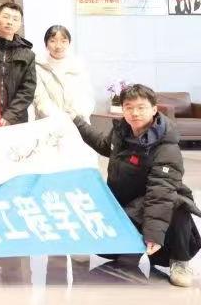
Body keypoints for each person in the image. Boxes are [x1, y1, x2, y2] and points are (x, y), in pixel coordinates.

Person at [72, 84, 199, 287]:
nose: (135, 113)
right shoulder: (122, 132)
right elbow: (105, 145)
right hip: (127, 205)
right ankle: (129, 247)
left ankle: (179, 260)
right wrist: (76, 122)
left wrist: (154, 235)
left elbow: (160, 193)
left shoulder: (166, 146)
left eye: (141, 107)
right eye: (129, 107)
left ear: (154, 109)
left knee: (177, 205)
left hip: (155, 206)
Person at [35, 25, 95, 123]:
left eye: (63, 41)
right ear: (46, 44)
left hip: (79, 122)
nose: (58, 46)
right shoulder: (38, 67)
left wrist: (76, 116)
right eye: (53, 41)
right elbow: (41, 101)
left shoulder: (79, 65)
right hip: (50, 123)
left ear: (69, 43)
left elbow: (87, 96)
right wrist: (63, 119)